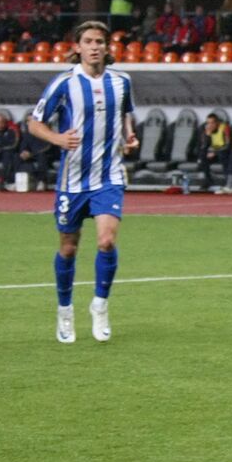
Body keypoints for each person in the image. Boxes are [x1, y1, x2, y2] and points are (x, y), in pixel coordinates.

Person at [27, 21, 140, 343]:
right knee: (68, 247)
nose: (94, 47)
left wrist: (129, 136)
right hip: (72, 180)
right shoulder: (63, 83)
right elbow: (35, 123)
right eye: (88, 41)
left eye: (100, 41)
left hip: (109, 176)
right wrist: (57, 138)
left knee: (106, 241)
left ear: (107, 47)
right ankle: (65, 310)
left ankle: (100, 305)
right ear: (77, 47)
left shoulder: (122, 82)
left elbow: (126, 115)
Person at [197, 113, 232, 193]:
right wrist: (207, 136)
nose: (210, 125)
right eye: (208, 123)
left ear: (217, 123)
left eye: (212, 123)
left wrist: (216, 152)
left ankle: (227, 182)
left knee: (223, 155)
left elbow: (229, 145)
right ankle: (208, 180)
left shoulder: (225, 128)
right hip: (214, 153)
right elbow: (203, 147)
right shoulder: (206, 130)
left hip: (225, 152)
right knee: (202, 156)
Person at [16, 118, 56, 191]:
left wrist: (31, 154)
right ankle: (14, 180)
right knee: (16, 157)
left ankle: (42, 181)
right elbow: (24, 145)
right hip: (32, 155)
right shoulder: (27, 134)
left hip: (47, 155)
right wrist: (23, 152)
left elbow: (47, 148)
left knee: (42, 158)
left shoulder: (46, 132)